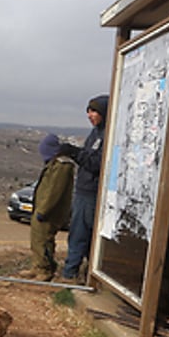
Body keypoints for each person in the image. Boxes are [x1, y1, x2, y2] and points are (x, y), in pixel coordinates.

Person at [57, 94, 108, 283]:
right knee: (82, 235)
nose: (89, 115)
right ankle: (88, 274)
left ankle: (70, 275)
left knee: (79, 235)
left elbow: (96, 163)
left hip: (91, 193)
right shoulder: (96, 133)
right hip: (84, 190)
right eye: (88, 111)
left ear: (104, 112)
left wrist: (73, 152)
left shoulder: (107, 135)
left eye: (94, 111)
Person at [23, 133, 75, 281]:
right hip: (42, 208)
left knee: (44, 239)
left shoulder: (62, 166)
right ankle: (37, 266)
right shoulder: (53, 164)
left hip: (50, 211)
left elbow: (54, 191)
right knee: (37, 239)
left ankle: (45, 270)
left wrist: (43, 210)